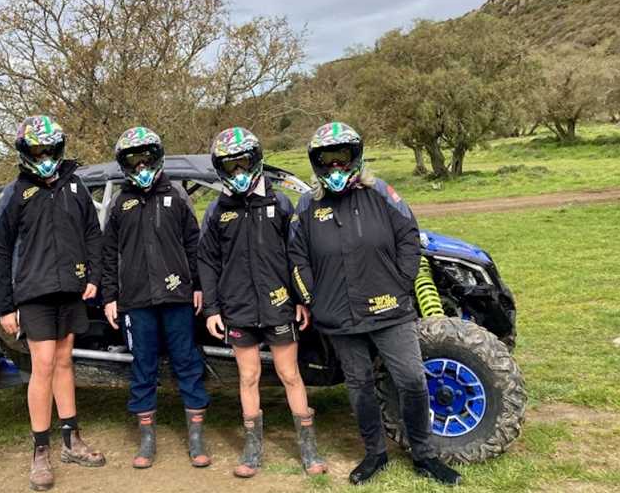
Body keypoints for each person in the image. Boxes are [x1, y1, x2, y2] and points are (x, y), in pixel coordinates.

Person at [287, 122, 462, 486]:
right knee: (359, 385)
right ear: (317, 163)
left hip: (390, 310)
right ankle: (374, 453)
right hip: (339, 316)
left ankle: (424, 455)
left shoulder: (381, 193)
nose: (335, 167)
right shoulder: (307, 205)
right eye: (327, 160)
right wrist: (313, 298)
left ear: (355, 157)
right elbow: (296, 258)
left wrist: (400, 283)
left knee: (411, 380)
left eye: (342, 158)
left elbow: (410, 239)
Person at [198, 126, 327, 478]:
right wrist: (211, 308)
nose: (238, 172)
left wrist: (301, 298)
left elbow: (295, 254)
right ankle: (252, 449)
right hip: (237, 310)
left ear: (256, 161)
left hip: (279, 305)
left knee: (289, 373)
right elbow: (207, 262)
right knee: (249, 376)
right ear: (221, 168)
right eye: (230, 166)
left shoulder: (280, 203)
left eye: (243, 164)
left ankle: (308, 448)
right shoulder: (215, 212)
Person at [0, 115, 106, 491]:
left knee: (64, 362)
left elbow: (92, 231)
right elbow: (1, 247)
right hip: (34, 293)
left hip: (69, 290)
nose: (44, 156)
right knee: (41, 365)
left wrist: (92, 276)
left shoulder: (75, 186)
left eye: (49, 149)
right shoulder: (15, 192)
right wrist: (6, 306)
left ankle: (71, 440)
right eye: (36, 150)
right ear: (25, 153)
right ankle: (40, 450)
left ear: (59, 149)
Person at [101, 126, 211, 469]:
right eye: (134, 161)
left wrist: (198, 285)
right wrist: (109, 296)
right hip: (136, 301)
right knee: (143, 366)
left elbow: (195, 245)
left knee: (187, 363)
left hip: (178, 296)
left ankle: (196, 436)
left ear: (157, 158)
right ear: (125, 165)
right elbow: (108, 254)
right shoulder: (121, 203)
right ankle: (147, 439)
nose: (142, 166)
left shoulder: (177, 197)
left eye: (147, 159)